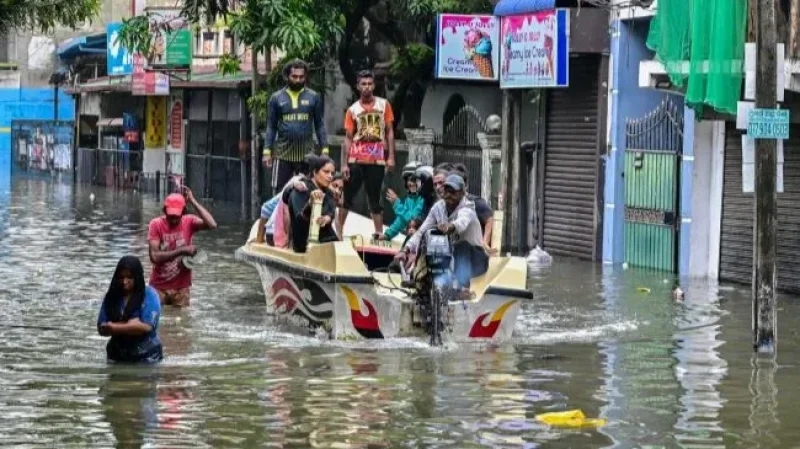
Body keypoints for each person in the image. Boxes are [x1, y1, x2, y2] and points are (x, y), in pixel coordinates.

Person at [395, 174, 488, 290]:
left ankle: (463, 289)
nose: (449, 195)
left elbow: (461, 223)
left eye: (453, 192)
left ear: (462, 193)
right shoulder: (438, 208)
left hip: (475, 259)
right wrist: (405, 249)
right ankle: (420, 281)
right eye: (447, 191)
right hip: (451, 257)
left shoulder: (468, 208)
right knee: (428, 239)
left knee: (462, 246)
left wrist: (450, 227)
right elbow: (421, 231)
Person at [338, 70, 396, 237]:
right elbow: (348, 138)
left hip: (377, 157)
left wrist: (391, 156)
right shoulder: (352, 110)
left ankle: (379, 232)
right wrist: (344, 164)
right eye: (363, 84)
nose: (367, 87)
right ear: (357, 86)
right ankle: (339, 230)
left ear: (374, 85)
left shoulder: (384, 105)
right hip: (356, 156)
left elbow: (390, 132)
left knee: (375, 197)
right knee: (347, 195)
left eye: (370, 84)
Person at [262, 59, 330, 193]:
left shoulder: (313, 97)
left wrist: (325, 150)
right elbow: (271, 126)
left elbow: (320, 125)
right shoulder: (276, 98)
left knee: (308, 193)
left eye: (301, 77)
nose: (298, 80)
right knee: (280, 195)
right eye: (294, 77)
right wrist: (267, 152)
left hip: (307, 156)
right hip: (282, 156)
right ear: (287, 76)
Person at [148, 187, 217, 307]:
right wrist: (183, 250)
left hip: (181, 288)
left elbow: (212, 224)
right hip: (158, 287)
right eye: (171, 216)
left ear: (183, 212)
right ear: (165, 211)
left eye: (177, 216)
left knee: (182, 323)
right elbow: (154, 256)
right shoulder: (156, 224)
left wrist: (193, 201)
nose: (174, 220)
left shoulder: (189, 221)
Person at [97, 256, 163, 364]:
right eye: (121, 277)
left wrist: (114, 327)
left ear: (137, 277)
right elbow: (101, 328)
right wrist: (130, 325)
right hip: (117, 355)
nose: (124, 281)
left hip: (147, 356)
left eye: (129, 277)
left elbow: (146, 327)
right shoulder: (111, 297)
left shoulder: (149, 294)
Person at [288, 155, 339, 253]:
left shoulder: (329, 193)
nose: (330, 176)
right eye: (326, 172)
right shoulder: (300, 189)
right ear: (315, 172)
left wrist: (327, 218)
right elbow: (300, 222)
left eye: (332, 173)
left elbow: (331, 212)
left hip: (326, 240)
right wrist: (310, 204)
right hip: (304, 244)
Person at [451, 163, 494, 250]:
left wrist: (484, 242)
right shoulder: (445, 203)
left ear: (465, 186)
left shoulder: (475, 202)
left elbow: (490, 220)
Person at [378, 162, 424, 241]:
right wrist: (387, 235)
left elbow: (413, 220)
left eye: (413, 179)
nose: (410, 183)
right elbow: (401, 220)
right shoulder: (409, 199)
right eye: (408, 180)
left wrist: (397, 204)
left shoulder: (424, 199)